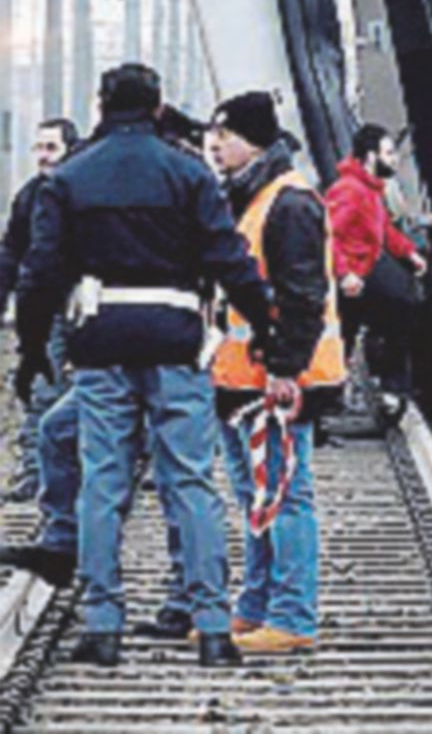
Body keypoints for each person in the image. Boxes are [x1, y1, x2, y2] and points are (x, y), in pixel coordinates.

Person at [12, 63, 274, 669]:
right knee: (189, 479)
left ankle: (103, 625)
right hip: (176, 337)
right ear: (159, 107)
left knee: (103, 478)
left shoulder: (70, 177)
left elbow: (41, 270)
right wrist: (267, 328)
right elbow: (230, 260)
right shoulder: (188, 172)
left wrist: (30, 350)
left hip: (101, 339)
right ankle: (212, 626)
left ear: (102, 103)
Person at [208, 91, 345, 654]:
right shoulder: (255, 196)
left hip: (278, 380)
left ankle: (292, 615)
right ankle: (255, 606)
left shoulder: (287, 203)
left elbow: (302, 293)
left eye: (226, 134)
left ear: (256, 140)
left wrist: (285, 368)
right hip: (243, 377)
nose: (215, 145)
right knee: (256, 495)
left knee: (285, 496)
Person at [325, 124, 426, 421]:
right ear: (371, 156)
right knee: (349, 333)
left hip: (362, 273)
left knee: (395, 310)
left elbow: (382, 230)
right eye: (389, 153)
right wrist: (344, 274)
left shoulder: (368, 190)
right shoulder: (349, 191)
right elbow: (328, 235)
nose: (395, 160)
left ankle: (383, 388)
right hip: (354, 278)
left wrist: (409, 252)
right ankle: (330, 403)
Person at [1, 118, 78, 502]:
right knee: (43, 390)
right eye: (40, 148)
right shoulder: (29, 196)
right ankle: (35, 472)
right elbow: (11, 251)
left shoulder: (83, 192)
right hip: (47, 308)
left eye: (51, 148)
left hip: (84, 306)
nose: (43, 157)